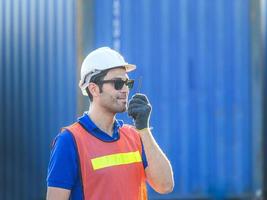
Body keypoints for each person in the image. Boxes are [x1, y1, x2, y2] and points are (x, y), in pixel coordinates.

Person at [46, 47, 174, 200]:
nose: (126, 89)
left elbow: (165, 185)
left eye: (128, 82)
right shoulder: (69, 141)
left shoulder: (135, 136)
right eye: (118, 83)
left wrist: (144, 128)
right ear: (93, 89)